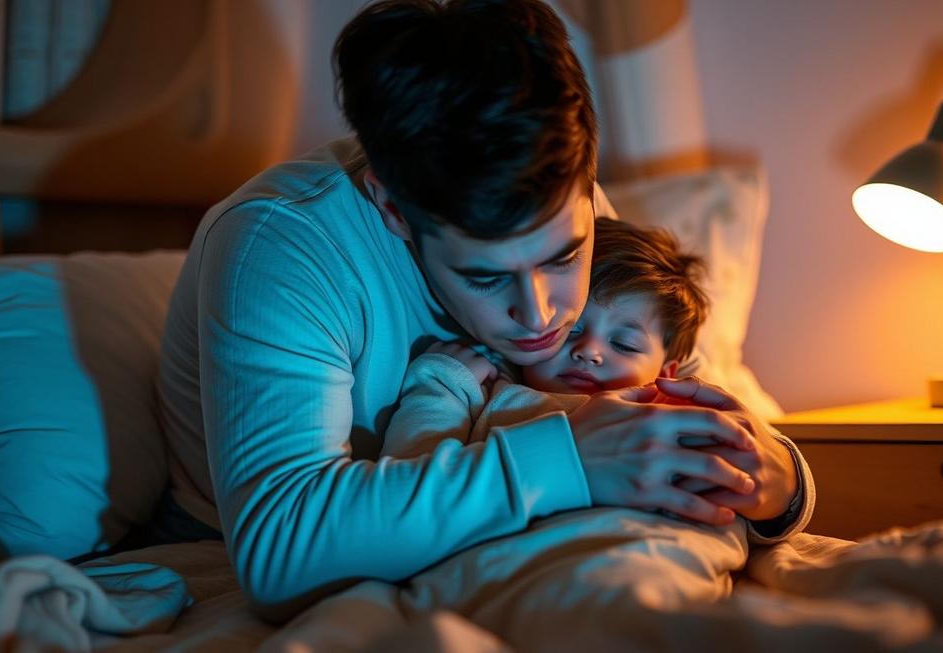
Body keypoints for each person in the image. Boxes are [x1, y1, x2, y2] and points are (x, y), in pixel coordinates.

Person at [156, 0, 806, 621]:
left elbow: (652, 399)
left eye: (563, 257)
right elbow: (282, 556)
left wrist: (781, 483)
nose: (542, 314)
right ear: (391, 210)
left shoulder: (551, 187)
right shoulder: (278, 247)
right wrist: (569, 461)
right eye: (486, 276)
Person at [374, 217, 814, 626]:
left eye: (624, 343)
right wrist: (444, 384)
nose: (589, 351)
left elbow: (762, 488)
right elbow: (412, 475)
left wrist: (784, 490)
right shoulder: (493, 398)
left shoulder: (675, 412)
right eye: (571, 329)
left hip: (656, 573)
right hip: (517, 581)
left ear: (668, 372)